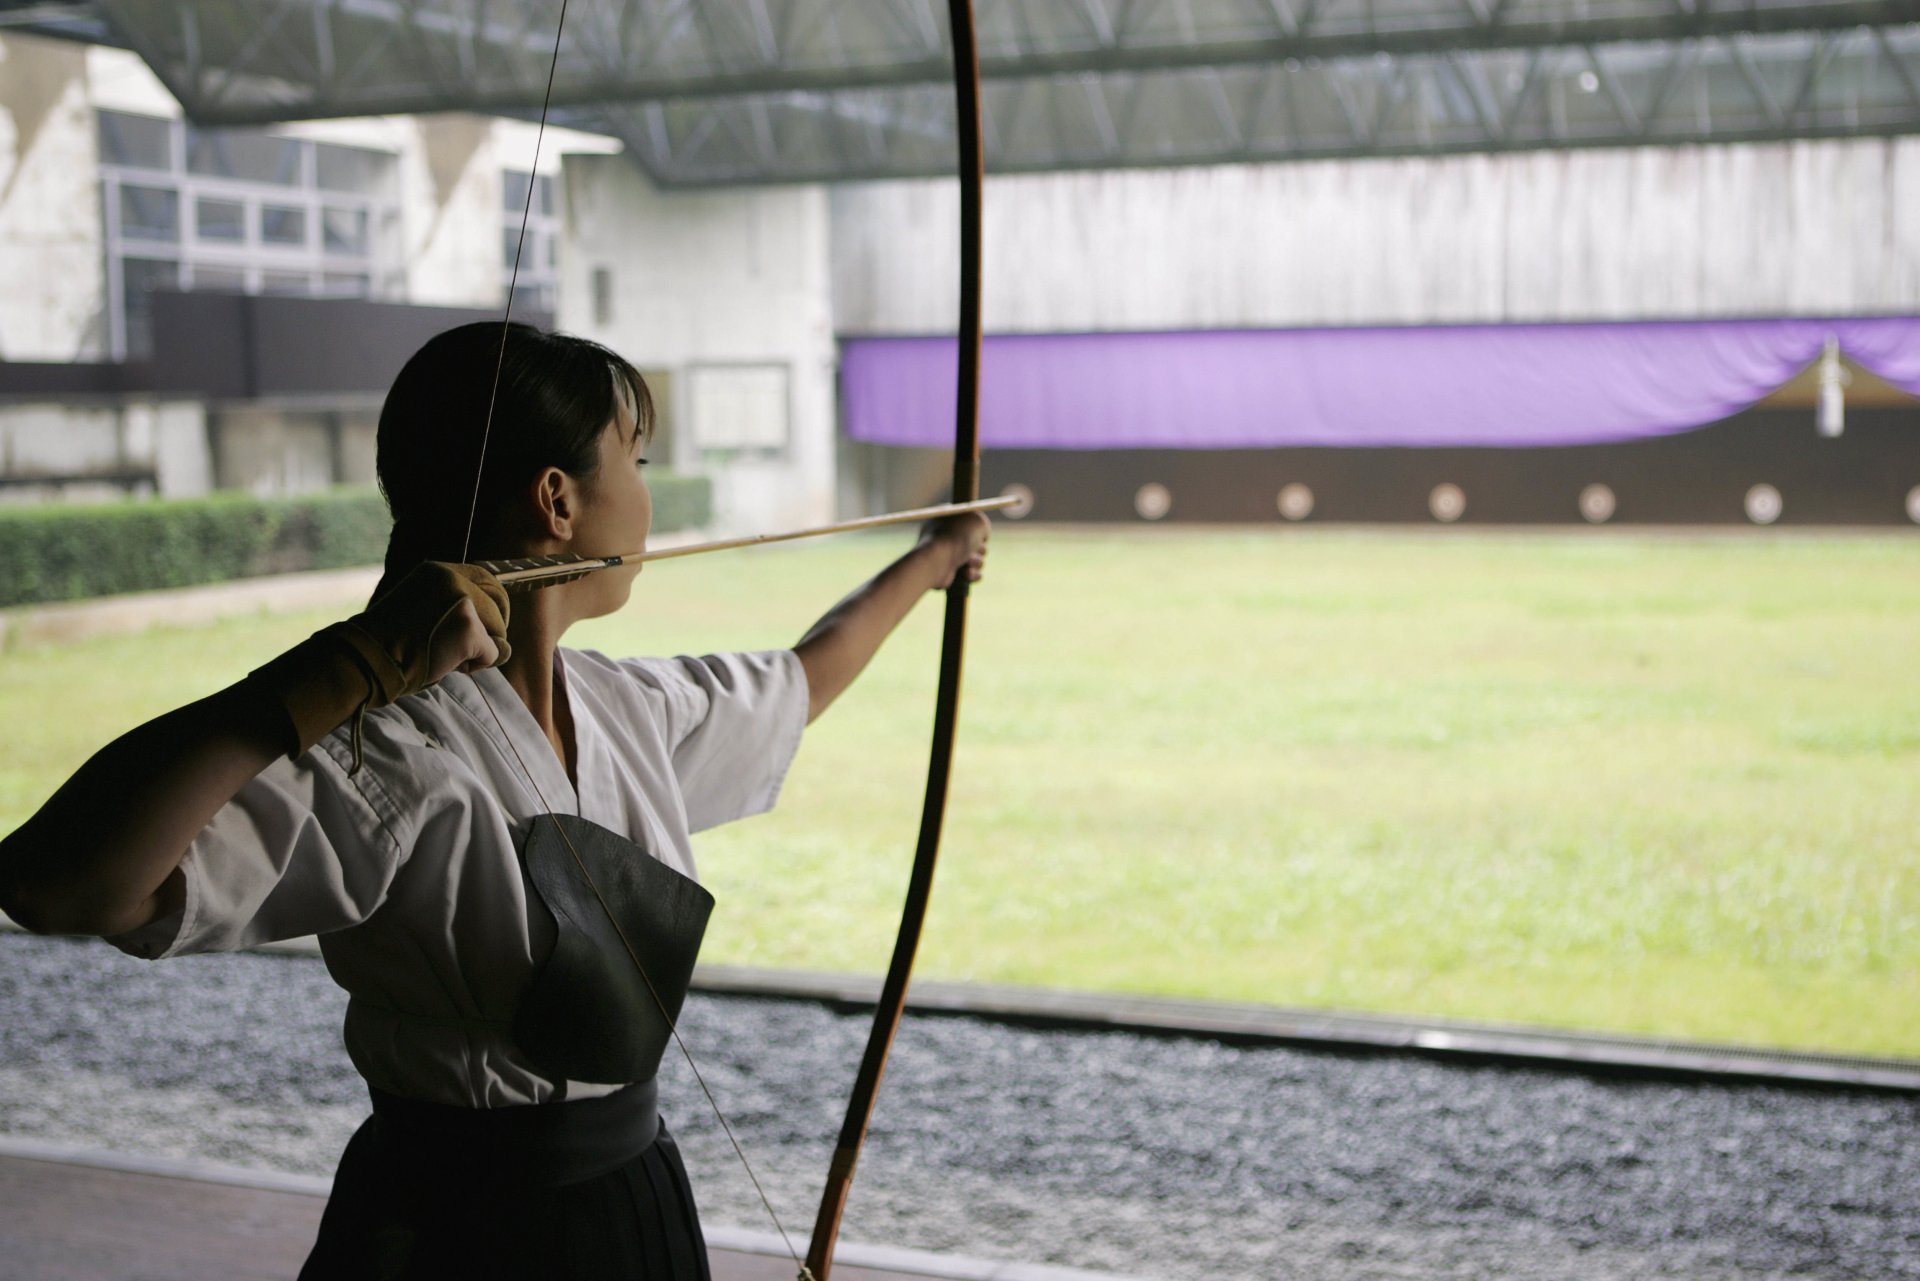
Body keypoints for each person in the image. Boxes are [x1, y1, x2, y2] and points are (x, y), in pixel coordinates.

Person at [0, 321, 990, 1280]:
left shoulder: (621, 706)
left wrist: (930, 561)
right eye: (636, 461)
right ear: (558, 500)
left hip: (633, 1193)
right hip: (462, 1230)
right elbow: (60, 886)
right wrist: (332, 677)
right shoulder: (385, 750)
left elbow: (798, 681)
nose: (646, 494)